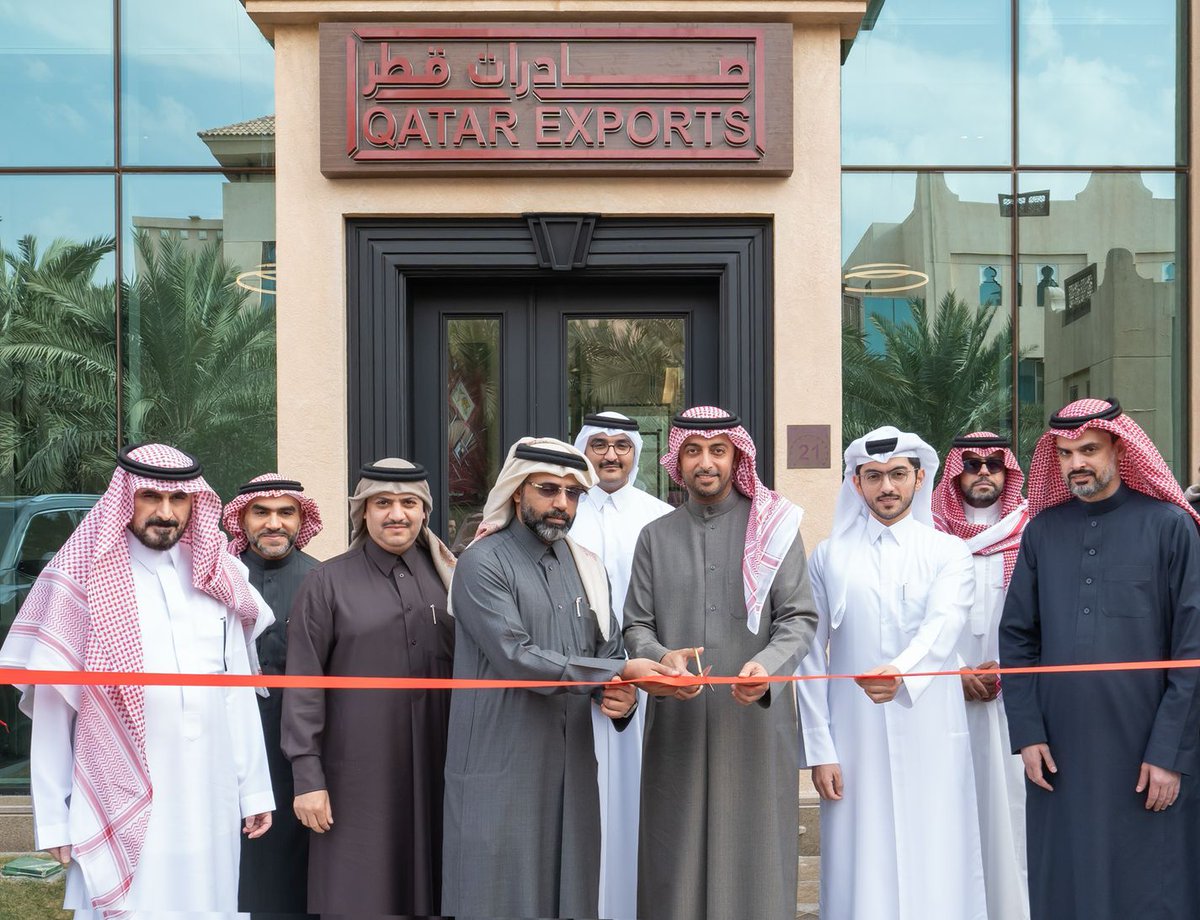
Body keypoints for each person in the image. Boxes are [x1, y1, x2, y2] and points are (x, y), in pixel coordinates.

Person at [0, 443, 274, 918]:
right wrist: (54, 817)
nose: (166, 513)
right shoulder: (81, 576)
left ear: (195, 501)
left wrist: (254, 790)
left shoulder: (221, 574)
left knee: (208, 901)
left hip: (210, 788)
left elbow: (237, 691)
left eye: (178, 499)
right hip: (112, 783)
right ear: (126, 497)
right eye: (151, 496)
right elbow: (54, 706)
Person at [442, 437, 676, 920]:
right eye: (548, 489)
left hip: (572, 767)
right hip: (501, 762)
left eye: (573, 494)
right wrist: (616, 672)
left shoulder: (585, 565)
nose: (562, 504)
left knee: (571, 893)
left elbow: (608, 651)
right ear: (516, 492)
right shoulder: (482, 563)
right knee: (500, 897)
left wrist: (622, 698)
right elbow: (515, 656)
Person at [999, 398, 1200, 920]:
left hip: (1147, 751)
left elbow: (1192, 649)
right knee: (1067, 883)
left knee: (1151, 886)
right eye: (1065, 454)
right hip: (1060, 753)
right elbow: (1017, 637)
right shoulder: (1042, 532)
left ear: (1120, 448)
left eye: (1088, 450)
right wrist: (1027, 733)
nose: (1077, 464)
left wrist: (1170, 752)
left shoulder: (1170, 527)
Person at [624, 406, 818, 920]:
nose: (705, 463)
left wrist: (768, 668)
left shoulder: (774, 531)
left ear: (737, 458)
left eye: (717, 451)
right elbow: (636, 626)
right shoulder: (655, 537)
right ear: (677, 460)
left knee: (755, 855)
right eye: (693, 451)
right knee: (674, 855)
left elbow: (798, 617)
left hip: (754, 722)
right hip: (677, 724)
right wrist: (661, 660)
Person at [795, 426, 986, 920]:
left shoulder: (948, 551)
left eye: (898, 474)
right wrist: (820, 749)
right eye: (874, 476)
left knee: (937, 855)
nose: (887, 487)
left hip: (931, 733)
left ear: (919, 479)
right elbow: (810, 655)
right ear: (855, 483)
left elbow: (944, 626)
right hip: (852, 740)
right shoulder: (829, 557)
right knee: (860, 860)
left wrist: (900, 672)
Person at [282, 459, 457, 919]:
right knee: (361, 894)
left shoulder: (451, 580)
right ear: (362, 511)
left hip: (440, 772)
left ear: (424, 512)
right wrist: (307, 778)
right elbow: (303, 685)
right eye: (382, 503)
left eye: (409, 503)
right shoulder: (326, 583)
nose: (396, 514)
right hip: (356, 781)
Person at [570, 410, 672, 920]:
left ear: (637, 453)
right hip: (573, 682)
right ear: (583, 450)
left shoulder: (660, 517)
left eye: (622, 446)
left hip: (646, 684)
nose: (611, 456)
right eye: (599, 445)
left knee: (638, 801)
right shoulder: (562, 513)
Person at [931, 432, 1030, 920]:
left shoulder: (1031, 532)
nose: (984, 471)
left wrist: (1009, 671)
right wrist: (953, 671)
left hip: (1015, 705)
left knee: (1012, 813)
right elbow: (912, 620)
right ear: (956, 473)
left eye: (994, 463)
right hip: (940, 701)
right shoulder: (929, 538)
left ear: (1009, 471)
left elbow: (1043, 617)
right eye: (972, 463)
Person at [224, 473, 324, 919]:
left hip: (298, 751)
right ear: (241, 519)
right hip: (227, 747)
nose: (273, 523)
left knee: (293, 864)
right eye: (261, 512)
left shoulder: (322, 579)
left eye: (286, 513)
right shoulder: (218, 578)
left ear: (301, 520)